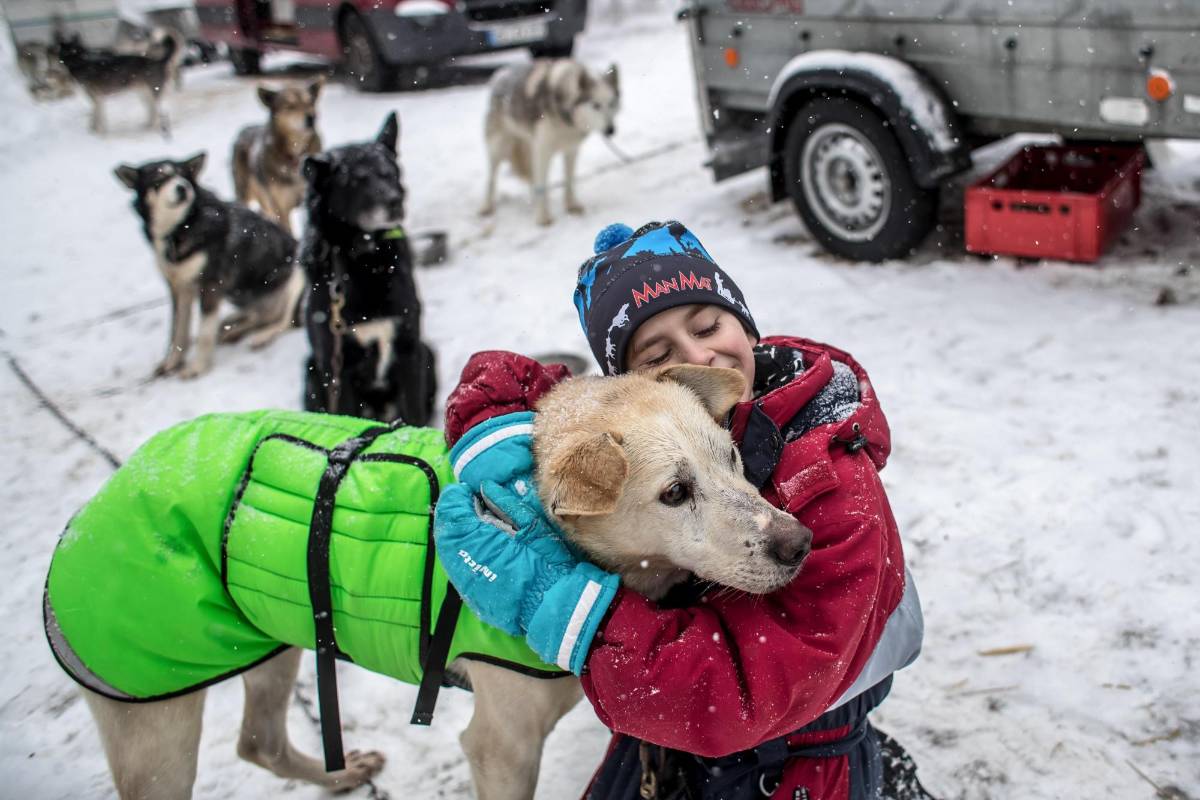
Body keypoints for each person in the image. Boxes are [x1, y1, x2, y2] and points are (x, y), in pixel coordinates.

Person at [433, 220, 934, 799]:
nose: (701, 354)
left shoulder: (835, 477)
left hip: (789, 758)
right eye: (659, 352)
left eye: (708, 325)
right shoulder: (656, 431)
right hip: (671, 742)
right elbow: (534, 393)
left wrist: (561, 602)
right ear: (638, 385)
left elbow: (734, 693)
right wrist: (494, 435)